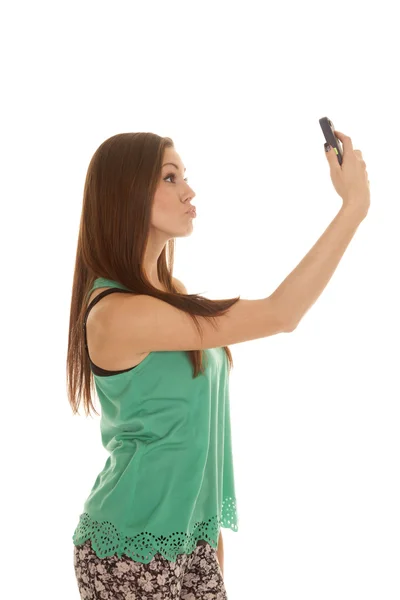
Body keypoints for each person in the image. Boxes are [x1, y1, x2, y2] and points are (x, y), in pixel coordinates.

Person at [68, 130, 370, 599]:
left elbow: (197, 433)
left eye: (184, 176)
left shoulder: (170, 295)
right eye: (170, 177)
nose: (189, 191)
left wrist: (207, 542)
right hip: (128, 548)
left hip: (189, 540)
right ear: (126, 192)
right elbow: (279, 313)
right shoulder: (122, 313)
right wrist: (353, 207)